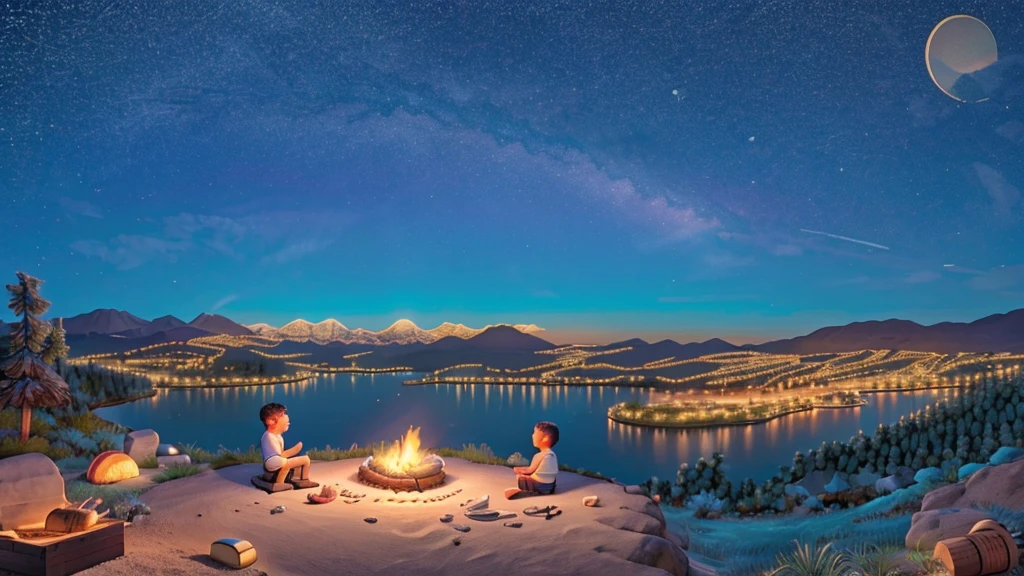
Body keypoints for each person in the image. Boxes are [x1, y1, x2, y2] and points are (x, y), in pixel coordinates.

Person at [259, 403, 318, 489]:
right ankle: (302, 481)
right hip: (272, 462)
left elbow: (281, 455)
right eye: (282, 415)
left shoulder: (277, 436)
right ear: (270, 421)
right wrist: (294, 450)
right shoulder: (268, 436)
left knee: (288, 463)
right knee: (305, 460)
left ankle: (282, 481)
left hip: (277, 460)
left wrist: (293, 452)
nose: (287, 421)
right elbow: (278, 455)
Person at [504, 421, 559, 500]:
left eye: (535, 433)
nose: (532, 435)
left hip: (540, 485)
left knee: (519, 477)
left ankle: (529, 491)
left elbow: (530, 470)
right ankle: (545, 490)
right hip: (550, 485)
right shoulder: (553, 455)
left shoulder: (539, 455)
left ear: (545, 438)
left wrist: (518, 470)